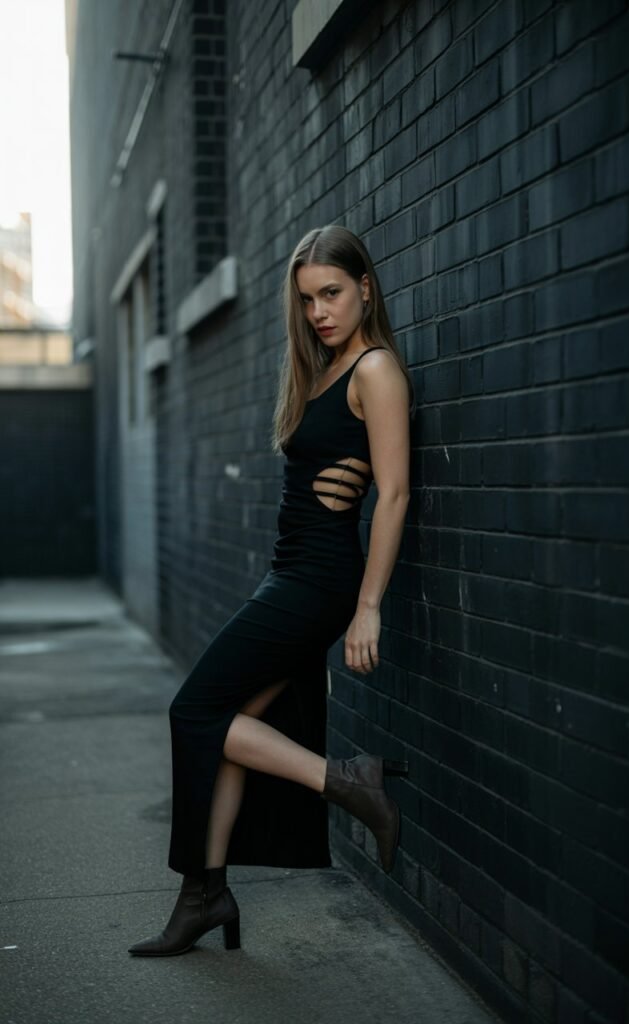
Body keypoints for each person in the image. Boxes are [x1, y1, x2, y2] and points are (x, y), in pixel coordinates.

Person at [128, 223, 415, 957]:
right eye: (309, 299)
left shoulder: (375, 369)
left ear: (365, 289)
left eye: (333, 293)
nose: (320, 311)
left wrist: (368, 608)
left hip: (319, 582)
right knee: (219, 730)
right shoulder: (320, 368)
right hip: (290, 572)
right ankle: (204, 895)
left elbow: (393, 494)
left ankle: (348, 781)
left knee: (194, 710)